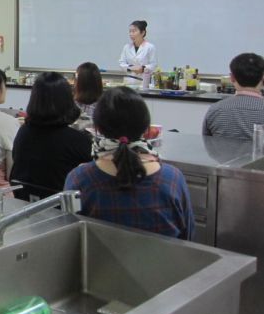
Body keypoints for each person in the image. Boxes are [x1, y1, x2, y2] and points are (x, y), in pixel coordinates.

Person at [65, 87, 195, 240]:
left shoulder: (80, 179)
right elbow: (188, 237)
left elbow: (70, 239)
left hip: (100, 263)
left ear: (97, 129)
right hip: (163, 262)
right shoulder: (172, 178)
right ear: (146, 129)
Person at [10, 72, 92, 196]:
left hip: (24, 203)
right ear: (67, 100)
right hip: (62, 208)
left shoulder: (23, 132)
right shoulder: (77, 140)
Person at [203, 52, 264, 140]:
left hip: (222, 154)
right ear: (263, 78)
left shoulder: (215, 110)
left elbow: (206, 143)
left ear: (232, 78)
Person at [118, 20, 157, 85]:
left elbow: (153, 65)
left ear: (143, 33)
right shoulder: (126, 47)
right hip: (129, 81)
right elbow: (121, 63)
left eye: (134, 31)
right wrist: (130, 67)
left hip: (144, 82)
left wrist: (142, 68)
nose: (131, 34)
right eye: (130, 31)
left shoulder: (150, 47)